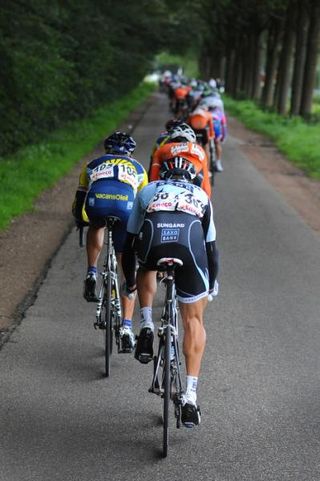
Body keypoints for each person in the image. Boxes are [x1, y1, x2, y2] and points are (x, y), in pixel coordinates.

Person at [122, 157, 219, 428]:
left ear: (163, 176)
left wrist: (130, 280)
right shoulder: (201, 194)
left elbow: (129, 241)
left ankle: (148, 325)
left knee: (145, 267)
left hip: (155, 245)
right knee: (194, 320)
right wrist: (211, 284)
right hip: (189, 249)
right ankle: (190, 396)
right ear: (191, 180)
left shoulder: (149, 190)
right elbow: (211, 248)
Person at [72, 131, 148, 352]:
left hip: (97, 205)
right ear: (130, 152)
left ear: (107, 150)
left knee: (96, 225)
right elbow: (145, 205)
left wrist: (81, 220)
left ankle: (92, 272)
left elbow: (79, 202)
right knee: (127, 268)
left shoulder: (92, 164)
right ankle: (125, 327)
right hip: (125, 209)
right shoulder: (139, 169)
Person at [149, 123, 212, 198]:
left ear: (172, 140)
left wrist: (151, 195)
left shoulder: (163, 148)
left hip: (168, 182)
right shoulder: (199, 149)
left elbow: (153, 177)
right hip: (193, 177)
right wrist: (207, 199)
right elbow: (205, 183)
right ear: (192, 141)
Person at [187, 104, 215, 174]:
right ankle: (207, 170)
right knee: (206, 148)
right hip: (203, 130)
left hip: (193, 130)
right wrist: (211, 136)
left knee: (193, 147)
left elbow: (188, 124)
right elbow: (211, 127)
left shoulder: (194, 113)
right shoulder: (208, 114)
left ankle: (192, 166)